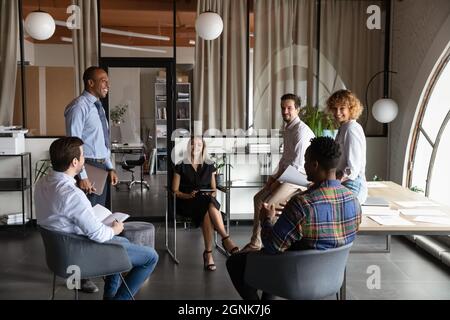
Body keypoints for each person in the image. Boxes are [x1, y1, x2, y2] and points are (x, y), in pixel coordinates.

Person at [226, 137, 362, 300]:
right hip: (330, 277)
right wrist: (290, 216)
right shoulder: (353, 199)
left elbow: (272, 246)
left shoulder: (303, 203)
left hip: (296, 276)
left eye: (306, 161)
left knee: (235, 263)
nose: (303, 167)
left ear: (315, 165)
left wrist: (266, 219)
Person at [35, 137, 158, 300]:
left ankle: (110, 296)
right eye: (83, 155)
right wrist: (115, 228)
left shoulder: (42, 183)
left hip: (59, 255)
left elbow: (61, 213)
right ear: (74, 162)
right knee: (150, 257)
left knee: (122, 243)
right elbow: (98, 235)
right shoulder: (72, 195)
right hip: (79, 255)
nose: (84, 158)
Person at [64, 66, 118, 293]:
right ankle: (78, 277)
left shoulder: (98, 108)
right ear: (90, 83)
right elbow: (73, 144)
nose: (107, 84)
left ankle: (96, 268)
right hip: (87, 168)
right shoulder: (79, 107)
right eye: (103, 80)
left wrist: (110, 167)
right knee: (83, 225)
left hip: (99, 167)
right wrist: (83, 176)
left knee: (98, 220)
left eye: (107, 80)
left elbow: (100, 143)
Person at [241, 93, 315, 252]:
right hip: (289, 175)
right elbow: (285, 159)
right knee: (258, 198)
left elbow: (297, 165)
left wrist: (277, 182)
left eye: (289, 108)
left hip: (300, 178)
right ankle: (256, 242)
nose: (285, 111)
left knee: (268, 205)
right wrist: (273, 177)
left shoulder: (301, 131)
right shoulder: (288, 128)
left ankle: (269, 245)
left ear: (298, 109)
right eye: (283, 108)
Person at [172, 136, 239, 271]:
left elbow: (214, 190)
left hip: (205, 202)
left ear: (203, 147)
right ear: (188, 146)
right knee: (207, 204)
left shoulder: (209, 165)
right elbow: (174, 190)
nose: (195, 147)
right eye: (192, 144)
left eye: (199, 144)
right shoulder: (180, 165)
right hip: (187, 202)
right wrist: (187, 195)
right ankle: (225, 239)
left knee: (207, 207)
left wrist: (209, 195)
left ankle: (208, 254)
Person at [326, 89, 368, 204]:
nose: (337, 112)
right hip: (344, 182)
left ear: (351, 108)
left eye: (342, 108)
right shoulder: (343, 127)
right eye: (334, 108)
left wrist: (333, 183)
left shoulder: (351, 129)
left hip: (353, 185)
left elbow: (352, 169)